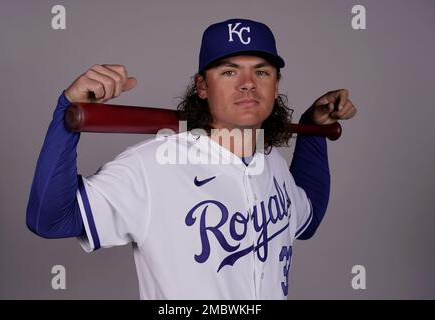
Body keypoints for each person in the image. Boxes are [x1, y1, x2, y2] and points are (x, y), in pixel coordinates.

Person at [26, 18, 356, 299]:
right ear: (202, 86)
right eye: (229, 72)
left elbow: (307, 218)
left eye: (261, 72)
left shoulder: (274, 166)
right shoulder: (152, 165)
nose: (247, 84)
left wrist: (314, 129)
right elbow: (50, 219)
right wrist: (64, 116)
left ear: (276, 84)